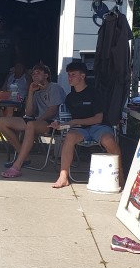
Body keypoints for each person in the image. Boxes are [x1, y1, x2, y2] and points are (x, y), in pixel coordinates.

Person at [49, 60, 120, 189]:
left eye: (73, 74)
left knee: (109, 140)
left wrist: (76, 121)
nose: (69, 78)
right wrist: (58, 124)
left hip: (99, 127)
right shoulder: (70, 98)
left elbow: (98, 119)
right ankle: (63, 176)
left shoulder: (95, 93)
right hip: (80, 130)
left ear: (82, 76)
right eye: (68, 75)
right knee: (69, 137)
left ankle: (120, 176)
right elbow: (68, 120)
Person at [0, 63, 66, 178]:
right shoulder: (37, 92)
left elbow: (53, 110)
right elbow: (29, 112)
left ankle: (17, 166)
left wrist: (37, 121)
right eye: (33, 74)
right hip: (36, 121)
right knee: (1, 122)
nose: (35, 75)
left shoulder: (54, 87)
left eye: (38, 73)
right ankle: (24, 157)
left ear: (46, 75)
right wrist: (30, 92)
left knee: (31, 124)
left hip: (54, 123)